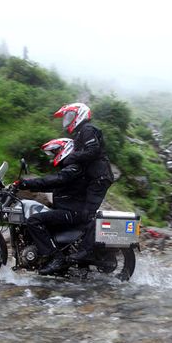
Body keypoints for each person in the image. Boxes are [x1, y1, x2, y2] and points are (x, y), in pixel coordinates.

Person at [16, 138, 89, 276]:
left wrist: (27, 184)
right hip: (69, 210)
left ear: (65, 150)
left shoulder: (74, 168)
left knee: (34, 221)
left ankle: (56, 258)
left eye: (55, 152)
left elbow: (56, 180)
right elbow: (53, 184)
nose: (53, 156)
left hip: (71, 212)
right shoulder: (70, 167)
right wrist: (32, 186)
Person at [52, 103, 114, 260]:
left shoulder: (87, 130)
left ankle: (85, 251)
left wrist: (72, 157)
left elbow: (93, 151)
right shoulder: (81, 133)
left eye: (69, 116)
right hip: (94, 178)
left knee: (87, 214)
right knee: (82, 212)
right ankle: (75, 245)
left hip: (99, 177)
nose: (66, 120)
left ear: (79, 115)